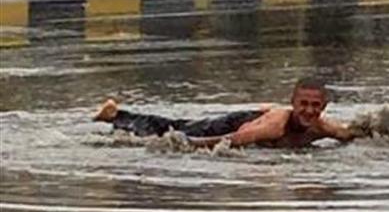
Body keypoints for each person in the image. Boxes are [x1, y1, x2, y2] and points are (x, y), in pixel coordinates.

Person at [93, 77, 367, 149]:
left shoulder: (323, 127)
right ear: (293, 104)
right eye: (303, 104)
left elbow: (350, 133)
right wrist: (185, 145)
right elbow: (233, 139)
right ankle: (115, 115)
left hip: (260, 114)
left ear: (324, 108)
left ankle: (117, 114)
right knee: (173, 127)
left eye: (315, 106)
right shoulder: (275, 127)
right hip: (235, 124)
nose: (309, 111)